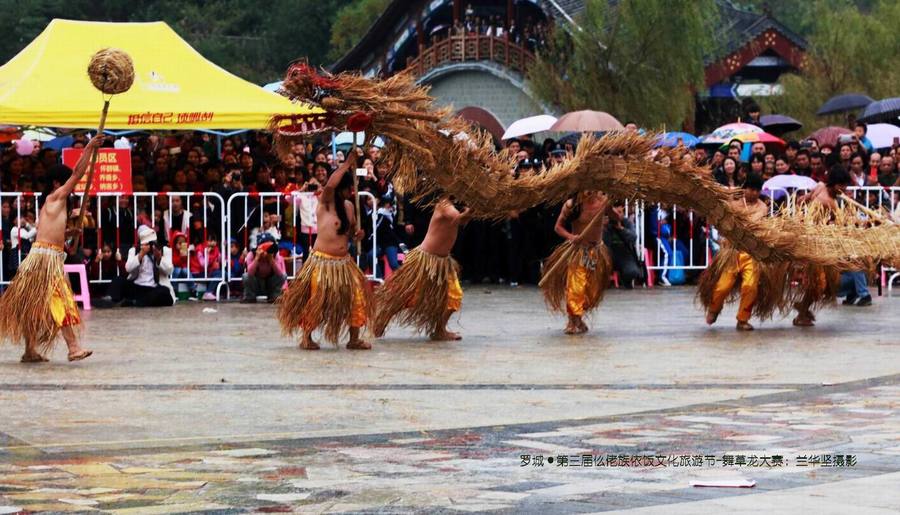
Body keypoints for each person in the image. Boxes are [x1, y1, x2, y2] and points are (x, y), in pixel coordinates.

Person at [0, 136, 102, 363]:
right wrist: (89, 147)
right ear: (58, 183)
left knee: (30, 303)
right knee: (62, 300)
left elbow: (44, 230)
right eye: (67, 183)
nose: (71, 188)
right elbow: (77, 173)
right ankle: (73, 347)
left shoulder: (51, 201)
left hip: (41, 256)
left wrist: (67, 234)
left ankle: (29, 351)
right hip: (45, 260)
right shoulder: (56, 196)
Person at [277, 157, 373, 350]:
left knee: (356, 298)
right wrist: (347, 164)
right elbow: (330, 184)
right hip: (322, 263)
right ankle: (307, 337)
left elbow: (352, 235)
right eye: (347, 189)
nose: (350, 192)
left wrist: (358, 235)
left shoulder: (349, 207)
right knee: (317, 300)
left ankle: (353, 338)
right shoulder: (325, 202)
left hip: (344, 263)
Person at [373, 197, 472, 341]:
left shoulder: (453, 206)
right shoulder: (443, 204)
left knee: (454, 295)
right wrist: (474, 208)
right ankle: (384, 317)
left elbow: (462, 221)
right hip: (425, 261)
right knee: (407, 295)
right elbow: (456, 218)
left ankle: (439, 330)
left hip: (443, 263)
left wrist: (473, 209)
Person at [698, 174, 784, 331]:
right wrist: (731, 194)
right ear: (745, 188)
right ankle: (714, 309)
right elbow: (717, 204)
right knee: (723, 286)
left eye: (757, 190)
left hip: (752, 253)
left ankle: (742, 319)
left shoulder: (763, 208)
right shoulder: (733, 202)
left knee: (750, 286)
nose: (754, 193)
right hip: (732, 251)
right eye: (751, 189)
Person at [541, 191, 613, 335]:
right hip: (578, 252)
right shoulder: (572, 205)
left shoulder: (605, 201)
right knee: (575, 288)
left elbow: (615, 216)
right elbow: (558, 227)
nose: (588, 192)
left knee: (592, 292)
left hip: (597, 253)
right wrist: (571, 237)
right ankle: (572, 321)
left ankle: (577, 318)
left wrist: (612, 217)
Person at [791, 166, 850, 326]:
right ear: (834, 183)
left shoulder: (819, 187)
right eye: (841, 185)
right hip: (812, 244)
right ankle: (802, 309)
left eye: (845, 185)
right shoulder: (829, 202)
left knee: (827, 283)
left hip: (818, 244)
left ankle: (803, 308)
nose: (843, 189)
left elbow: (801, 200)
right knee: (819, 284)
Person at [109, 225, 176, 307]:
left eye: (151, 243)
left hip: (154, 288)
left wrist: (159, 258)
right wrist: (141, 254)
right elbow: (128, 269)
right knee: (118, 280)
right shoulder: (134, 251)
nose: (150, 246)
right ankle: (114, 300)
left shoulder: (164, 250)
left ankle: (136, 303)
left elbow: (169, 271)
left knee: (164, 292)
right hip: (137, 286)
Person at [241, 233, 286, 303]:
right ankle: (250, 297)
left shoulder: (275, 255)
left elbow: (280, 274)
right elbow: (250, 273)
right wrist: (257, 258)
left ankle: (274, 296)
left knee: (283, 276)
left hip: (270, 284)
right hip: (256, 284)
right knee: (246, 276)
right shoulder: (252, 254)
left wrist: (271, 260)